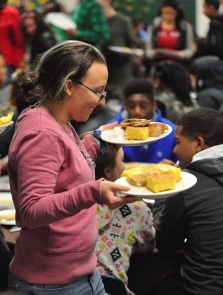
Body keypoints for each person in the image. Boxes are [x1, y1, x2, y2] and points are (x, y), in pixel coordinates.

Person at [7, 40, 139, 295]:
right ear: (69, 86)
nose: (101, 101)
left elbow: (64, 168)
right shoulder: (41, 133)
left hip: (79, 273)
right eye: (98, 91)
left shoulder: (57, 120)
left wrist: (97, 141)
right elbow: (33, 209)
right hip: (53, 282)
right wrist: (95, 192)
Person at [152, 108, 223, 294]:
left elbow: (164, 242)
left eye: (177, 142)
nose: (175, 150)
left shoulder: (187, 182)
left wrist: (165, 185)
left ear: (198, 143)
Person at [95, 148, 155, 295]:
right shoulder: (136, 208)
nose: (126, 166)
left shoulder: (62, 203)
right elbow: (148, 246)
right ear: (108, 171)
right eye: (123, 161)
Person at [108, 78, 178, 164]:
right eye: (131, 106)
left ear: (153, 105)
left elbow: (179, 166)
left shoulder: (170, 131)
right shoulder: (111, 130)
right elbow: (109, 168)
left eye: (143, 105)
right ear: (125, 105)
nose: (137, 111)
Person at [94, 0, 138, 100]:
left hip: (120, 76)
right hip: (99, 76)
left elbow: (133, 45)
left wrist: (128, 52)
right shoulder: (93, 22)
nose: (95, 0)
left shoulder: (123, 21)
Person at [145, 0, 194, 67]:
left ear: (177, 13)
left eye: (171, 13)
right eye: (166, 13)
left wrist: (182, 54)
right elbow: (148, 51)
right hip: (159, 65)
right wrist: (153, 54)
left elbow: (189, 51)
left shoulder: (185, 27)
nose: (168, 16)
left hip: (179, 66)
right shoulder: (153, 27)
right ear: (161, 11)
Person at [0, 0, 25, 83]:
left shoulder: (11, 13)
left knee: (8, 88)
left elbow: (18, 38)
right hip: (3, 60)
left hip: (10, 60)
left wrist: (19, 59)